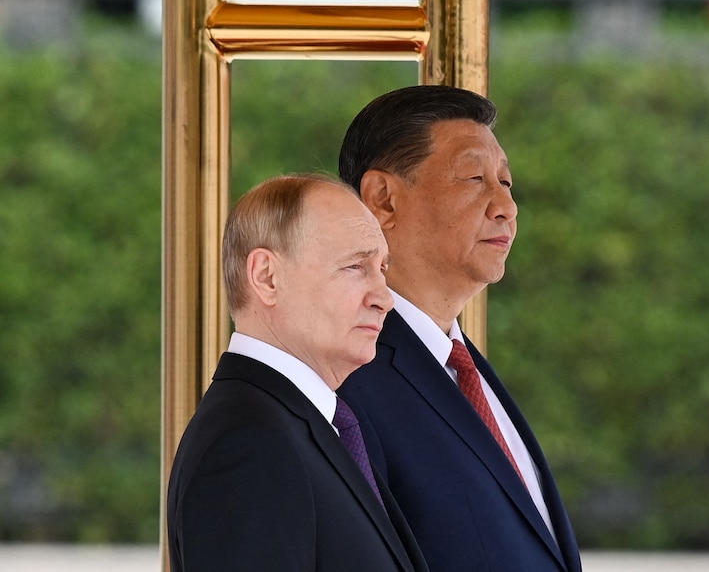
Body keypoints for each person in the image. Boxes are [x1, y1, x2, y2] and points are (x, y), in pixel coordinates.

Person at [336, 85, 583, 572]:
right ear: (383, 200)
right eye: (474, 177)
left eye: (506, 183)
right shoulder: (343, 379)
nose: (506, 207)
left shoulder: (463, 364)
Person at [166, 173, 428, 572]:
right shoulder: (249, 442)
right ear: (267, 277)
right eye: (356, 266)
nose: (385, 298)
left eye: (382, 268)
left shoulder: (304, 426)